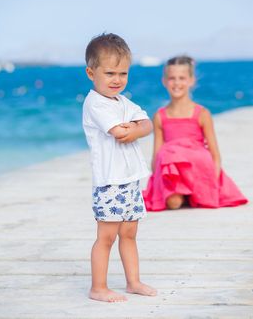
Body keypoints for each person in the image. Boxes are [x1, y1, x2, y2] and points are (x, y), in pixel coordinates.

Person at [82, 33, 157, 302]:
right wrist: (134, 127)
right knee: (107, 236)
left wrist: (136, 127)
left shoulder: (122, 102)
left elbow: (148, 124)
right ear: (92, 73)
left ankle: (133, 281)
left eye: (123, 73)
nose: (117, 80)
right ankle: (98, 287)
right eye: (110, 72)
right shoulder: (95, 103)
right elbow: (119, 132)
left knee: (129, 232)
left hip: (130, 178)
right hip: (109, 181)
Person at [143, 55, 248, 211]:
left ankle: (193, 193)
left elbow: (215, 154)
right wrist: (159, 185)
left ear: (191, 80)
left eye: (182, 78)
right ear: (164, 81)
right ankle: (183, 194)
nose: (177, 83)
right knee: (173, 201)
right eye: (172, 78)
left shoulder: (202, 113)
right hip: (174, 176)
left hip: (198, 173)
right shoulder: (160, 116)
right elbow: (156, 155)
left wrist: (212, 183)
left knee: (194, 157)